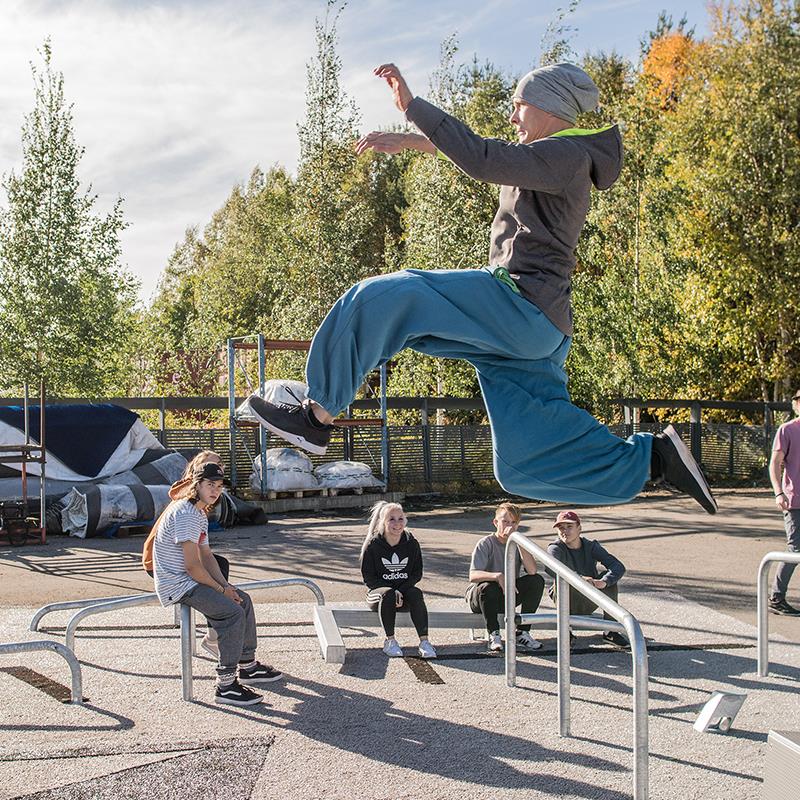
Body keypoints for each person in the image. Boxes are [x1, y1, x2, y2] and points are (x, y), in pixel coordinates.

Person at [245, 61, 717, 516]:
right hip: (533, 335)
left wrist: (413, 107)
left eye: (519, 106)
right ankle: (653, 460)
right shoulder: (554, 157)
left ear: (548, 108)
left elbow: (483, 157)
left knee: (384, 298)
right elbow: (492, 152)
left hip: (520, 305)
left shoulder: (565, 155)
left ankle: (317, 414)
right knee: (521, 464)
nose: (512, 116)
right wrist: (414, 141)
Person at [153, 460, 282, 706]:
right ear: (196, 485)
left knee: (242, 600)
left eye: (219, 486)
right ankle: (226, 686)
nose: (215, 490)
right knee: (231, 614)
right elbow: (192, 566)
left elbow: (207, 556)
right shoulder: (186, 514)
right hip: (177, 584)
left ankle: (248, 665)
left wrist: (227, 587)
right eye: (210, 484)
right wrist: (221, 590)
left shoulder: (199, 512)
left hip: (188, 580)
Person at [142, 450, 230, 657]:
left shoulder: (200, 500)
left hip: (171, 555)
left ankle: (216, 632)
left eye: (219, 470)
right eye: (209, 469)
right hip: (159, 561)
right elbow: (193, 561)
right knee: (214, 572)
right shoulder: (187, 500)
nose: (216, 473)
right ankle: (214, 636)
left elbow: (204, 552)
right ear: (196, 475)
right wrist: (220, 588)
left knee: (218, 565)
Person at [360, 501, 437, 658]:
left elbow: (416, 573)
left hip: (403, 593)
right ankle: (390, 641)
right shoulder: (373, 545)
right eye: (391, 519)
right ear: (383, 522)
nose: (397, 523)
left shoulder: (411, 543)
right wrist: (392, 592)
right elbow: (368, 578)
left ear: (405, 520)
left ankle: (425, 642)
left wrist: (400, 591)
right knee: (387, 594)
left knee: (415, 593)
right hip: (379, 594)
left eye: (400, 518)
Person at [466, 502, 544, 652]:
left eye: (514, 522)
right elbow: (473, 575)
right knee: (488, 587)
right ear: (495, 522)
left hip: (507, 594)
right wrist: (497, 576)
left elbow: (532, 571)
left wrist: (519, 542)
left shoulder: (518, 544)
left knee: (536, 581)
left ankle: (522, 632)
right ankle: (494, 634)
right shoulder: (485, 543)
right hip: (482, 597)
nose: (509, 525)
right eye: (505, 521)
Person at [547, 510, 628, 648]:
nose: (564, 531)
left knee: (610, 582)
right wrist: (580, 579)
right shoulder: (555, 548)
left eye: (569, 527)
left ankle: (610, 632)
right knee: (562, 579)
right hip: (568, 599)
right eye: (561, 528)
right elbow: (552, 568)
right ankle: (566, 630)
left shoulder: (590, 546)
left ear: (579, 528)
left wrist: (604, 582)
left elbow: (617, 566)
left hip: (590, 596)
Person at [768, 392, 800, 615]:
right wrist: (779, 492)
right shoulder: (787, 430)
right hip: (795, 500)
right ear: (796, 405)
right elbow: (775, 464)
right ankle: (777, 598)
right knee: (796, 549)